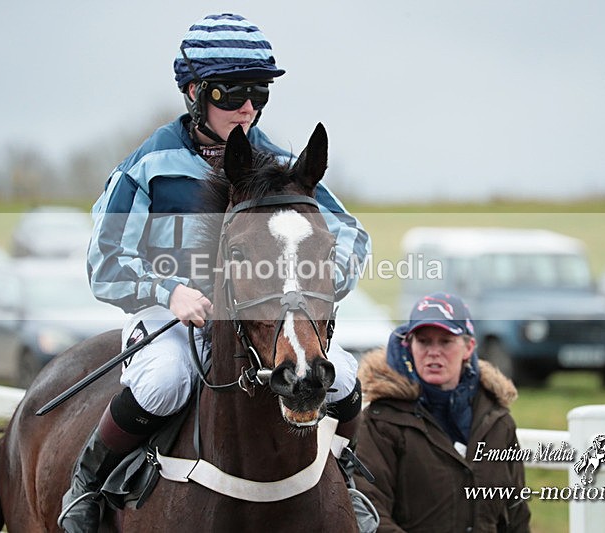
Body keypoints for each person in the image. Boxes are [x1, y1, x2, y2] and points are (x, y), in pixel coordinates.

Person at [59, 13, 371, 532]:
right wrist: (170, 291)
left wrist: (310, 290)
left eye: (259, 93)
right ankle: (87, 486)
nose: (248, 107)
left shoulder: (280, 165)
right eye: (232, 93)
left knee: (344, 378)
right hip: (171, 316)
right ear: (195, 92)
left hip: (266, 318)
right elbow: (104, 260)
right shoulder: (147, 166)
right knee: (164, 380)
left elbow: (352, 236)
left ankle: (347, 475)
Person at [353, 292, 531, 532]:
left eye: (445, 341)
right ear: (409, 346)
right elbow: (370, 512)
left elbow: (516, 515)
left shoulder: (499, 423)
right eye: (424, 341)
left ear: (469, 347)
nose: (433, 352)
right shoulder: (380, 422)